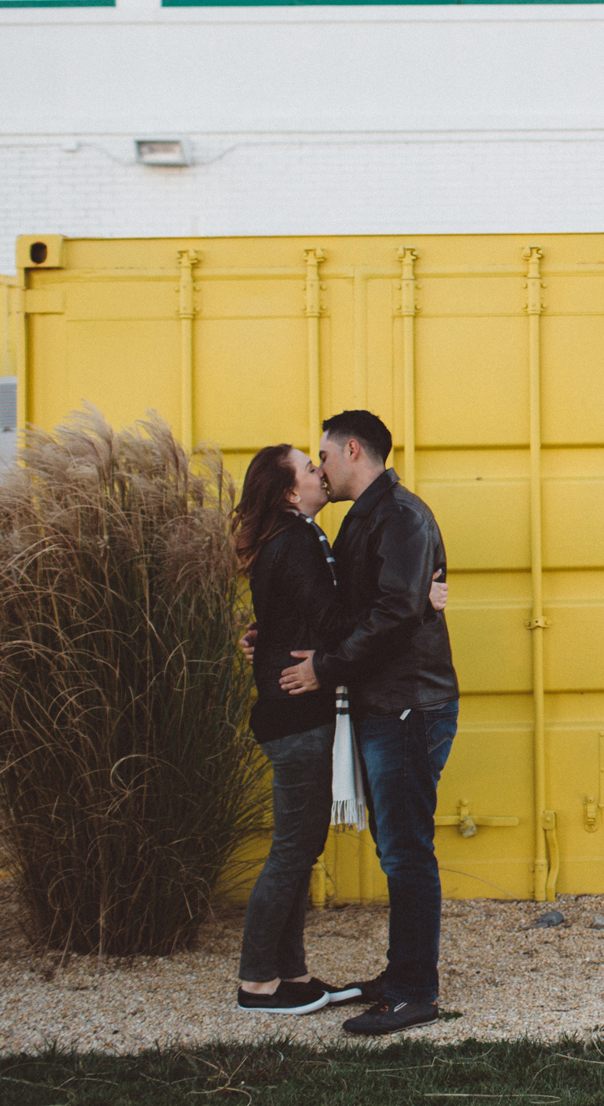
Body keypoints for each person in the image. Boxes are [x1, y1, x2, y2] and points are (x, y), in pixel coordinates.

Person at [229, 443, 447, 1015]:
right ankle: (258, 982)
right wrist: (415, 600)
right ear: (288, 492)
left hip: (298, 712)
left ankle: (291, 973)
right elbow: (331, 619)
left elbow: (305, 614)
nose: (318, 470)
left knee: (301, 846)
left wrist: (268, 634)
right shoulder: (299, 539)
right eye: (308, 466)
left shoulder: (308, 536)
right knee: (295, 847)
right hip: (294, 714)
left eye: (318, 458)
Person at [280, 409, 458, 1037]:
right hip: (390, 705)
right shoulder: (370, 518)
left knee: (407, 852)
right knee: (396, 848)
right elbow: (358, 608)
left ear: (351, 449)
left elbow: (390, 614)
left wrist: (325, 668)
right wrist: (269, 637)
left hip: (410, 706)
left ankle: (414, 992)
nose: (320, 469)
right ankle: (401, 974)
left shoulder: (401, 516)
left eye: (322, 456)